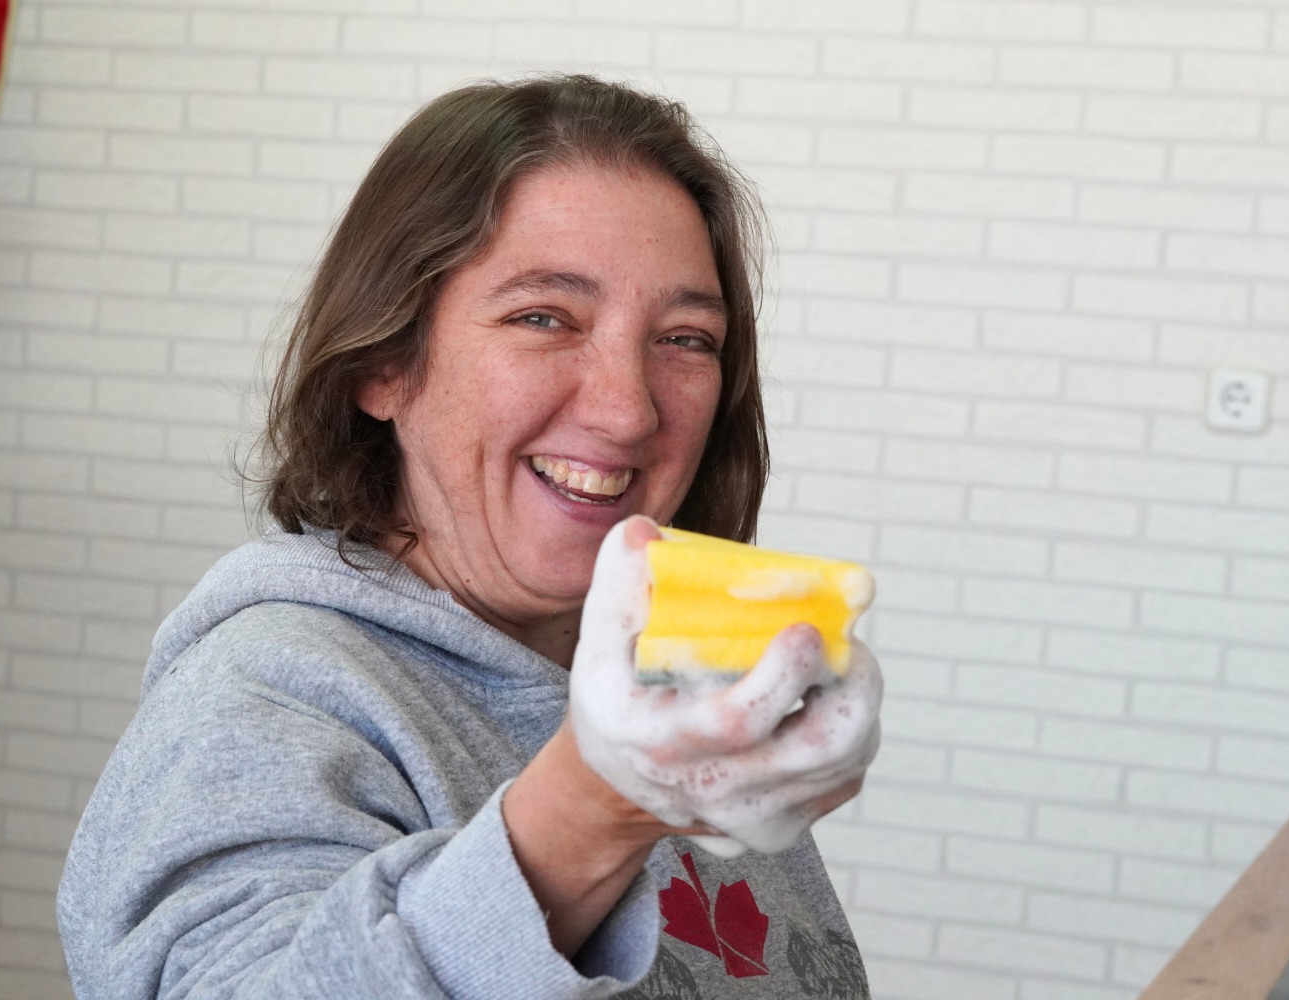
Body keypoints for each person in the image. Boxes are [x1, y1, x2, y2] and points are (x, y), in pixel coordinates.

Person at [57, 74, 882, 1000]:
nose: (626, 409)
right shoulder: (266, 697)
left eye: (686, 338)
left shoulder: (678, 689)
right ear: (384, 363)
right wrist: (597, 807)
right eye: (543, 317)